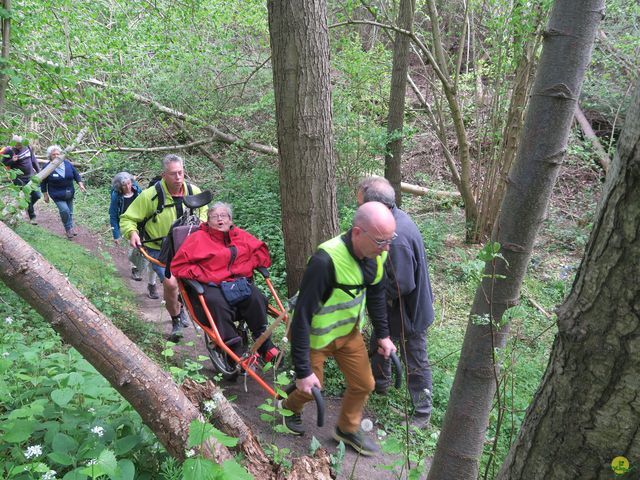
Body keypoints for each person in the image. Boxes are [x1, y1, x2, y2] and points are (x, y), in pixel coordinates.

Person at [280, 201, 397, 456]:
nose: (386, 247)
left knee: (365, 383)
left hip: (347, 333)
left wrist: (384, 336)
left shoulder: (378, 255)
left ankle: (347, 428)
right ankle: (288, 407)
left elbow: (377, 296)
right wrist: (302, 371)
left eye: (390, 240)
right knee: (312, 388)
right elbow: (301, 317)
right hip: (315, 337)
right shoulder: (325, 261)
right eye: (380, 241)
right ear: (357, 232)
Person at [357, 176, 435, 429]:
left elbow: (402, 284)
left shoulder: (396, 238)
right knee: (378, 340)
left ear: (378, 207)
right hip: (393, 311)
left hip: (408, 312)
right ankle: (380, 386)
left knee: (415, 360)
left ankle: (422, 413)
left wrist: (371, 291)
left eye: (362, 206)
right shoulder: (392, 219)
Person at [171, 202, 279, 362]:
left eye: (223, 216)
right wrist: (204, 274)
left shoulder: (241, 235)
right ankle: (234, 349)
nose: (219, 220)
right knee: (217, 303)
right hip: (211, 285)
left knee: (257, 297)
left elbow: (261, 254)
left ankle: (264, 343)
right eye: (214, 217)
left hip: (238, 282)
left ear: (230, 219)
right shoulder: (198, 239)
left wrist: (247, 265)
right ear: (207, 221)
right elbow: (179, 265)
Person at [119, 154, 207, 340]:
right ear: (164, 174)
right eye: (173, 174)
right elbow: (128, 218)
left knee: (194, 284)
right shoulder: (149, 196)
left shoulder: (193, 191)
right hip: (160, 250)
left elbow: (204, 213)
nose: (178, 178)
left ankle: (186, 308)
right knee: (171, 284)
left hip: (189, 250)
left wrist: (204, 224)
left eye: (181, 173)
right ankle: (176, 320)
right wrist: (132, 233)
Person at [109, 172, 160, 299]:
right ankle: (136, 268)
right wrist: (116, 234)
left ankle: (150, 282)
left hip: (143, 224)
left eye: (129, 183)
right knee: (136, 249)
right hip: (129, 226)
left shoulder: (138, 191)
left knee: (146, 251)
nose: (128, 187)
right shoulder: (116, 197)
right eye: (124, 185)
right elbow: (114, 216)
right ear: (119, 187)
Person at [40, 145, 86, 239]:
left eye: (58, 154)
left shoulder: (67, 163)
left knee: (70, 212)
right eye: (54, 154)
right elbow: (43, 182)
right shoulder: (47, 167)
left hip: (69, 193)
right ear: (50, 156)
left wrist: (80, 184)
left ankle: (70, 228)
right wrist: (45, 195)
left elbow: (76, 174)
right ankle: (68, 229)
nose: (56, 156)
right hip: (56, 194)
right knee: (65, 210)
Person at [1, 135, 42, 224]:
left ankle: (26, 207)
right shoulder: (9, 150)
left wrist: (39, 171)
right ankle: (32, 217)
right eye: (18, 145)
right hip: (19, 178)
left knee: (37, 195)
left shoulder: (27, 147)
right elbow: (3, 163)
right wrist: (12, 160)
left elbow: (33, 160)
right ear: (14, 144)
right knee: (27, 196)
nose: (20, 146)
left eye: (21, 144)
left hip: (31, 176)